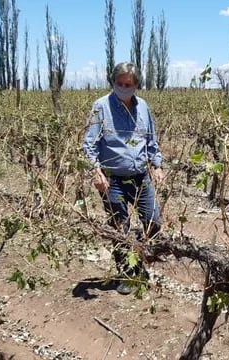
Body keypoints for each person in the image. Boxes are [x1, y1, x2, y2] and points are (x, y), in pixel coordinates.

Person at [82, 62, 164, 295]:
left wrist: (156, 165)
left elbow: (150, 140)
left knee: (154, 223)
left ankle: (136, 256)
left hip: (140, 177)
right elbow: (89, 145)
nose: (123, 88)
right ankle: (127, 274)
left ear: (136, 85)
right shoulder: (100, 107)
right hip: (113, 179)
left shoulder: (144, 107)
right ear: (113, 82)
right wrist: (96, 172)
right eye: (119, 84)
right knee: (120, 228)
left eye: (128, 84)